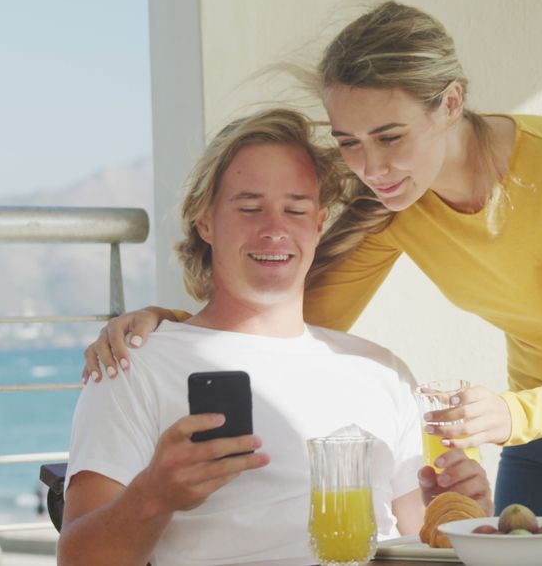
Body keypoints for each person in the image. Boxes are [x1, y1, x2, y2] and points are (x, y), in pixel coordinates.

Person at [82, 1, 542, 518]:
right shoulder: (395, 204)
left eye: (390, 137)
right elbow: (287, 326)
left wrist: (513, 414)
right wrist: (171, 324)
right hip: (541, 436)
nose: (371, 168)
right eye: (349, 143)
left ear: (449, 103)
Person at [58, 109, 491, 566]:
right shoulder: (133, 365)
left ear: (319, 222)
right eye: (249, 207)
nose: (274, 229)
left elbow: (422, 540)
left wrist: (466, 515)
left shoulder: (380, 370)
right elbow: (78, 559)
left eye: (296, 209)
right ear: (204, 221)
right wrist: (154, 495)